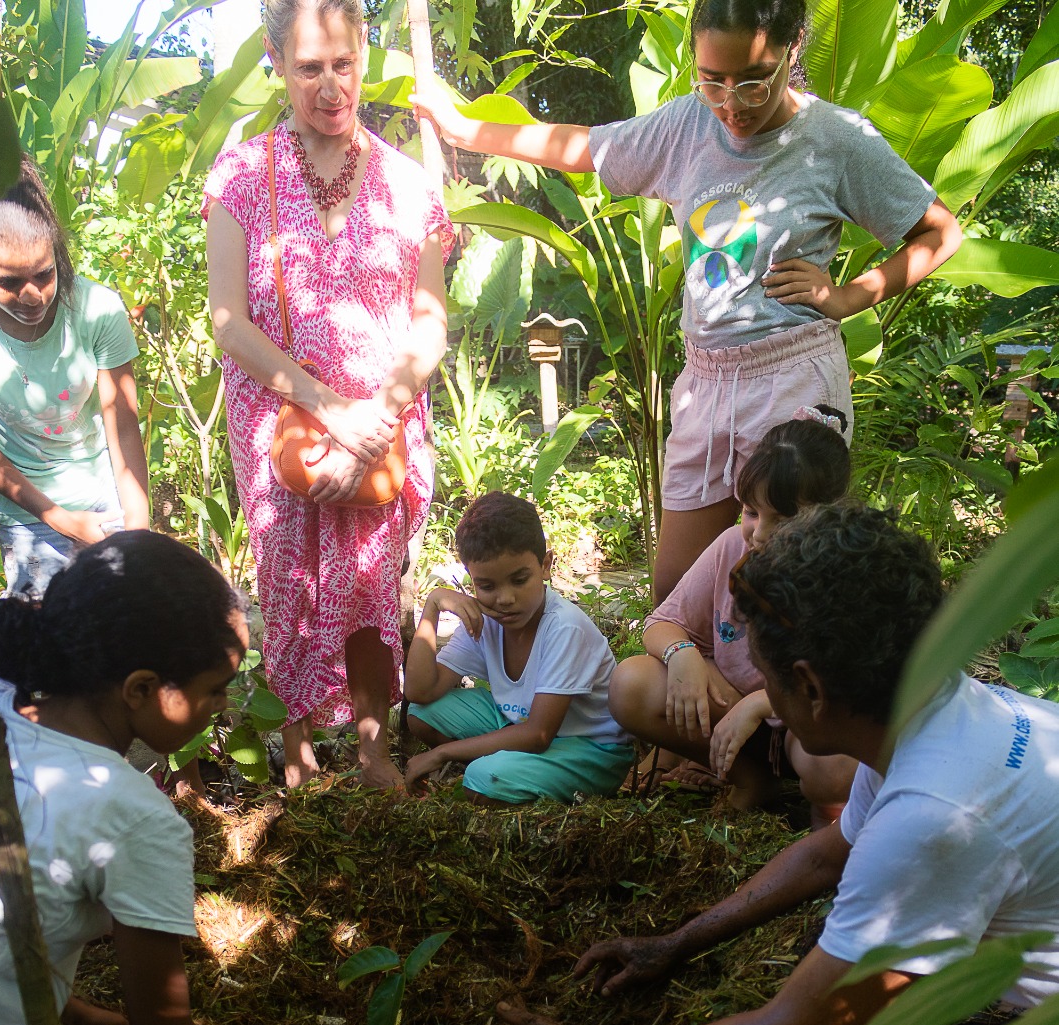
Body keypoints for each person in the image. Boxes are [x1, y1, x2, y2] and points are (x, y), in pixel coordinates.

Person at [441, 503, 1059, 1025]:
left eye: (764, 674)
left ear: (808, 685)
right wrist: (677, 941)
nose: (757, 688)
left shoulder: (938, 818)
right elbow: (827, 850)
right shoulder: (933, 712)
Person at [412, 0, 962, 602]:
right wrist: (465, 129)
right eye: (713, 81)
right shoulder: (683, 127)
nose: (731, 104)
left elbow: (941, 231)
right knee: (675, 593)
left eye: (754, 80)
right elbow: (587, 147)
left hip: (792, 379)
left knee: (791, 593)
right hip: (706, 382)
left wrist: (850, 295)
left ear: (794, 48)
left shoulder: (835, 139)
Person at [0, 532, 415, 1025]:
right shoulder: (131, 812)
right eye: (216, 689)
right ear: (139, 690)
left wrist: (75, 1011)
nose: (225, 707)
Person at [205, 0, 453, 790]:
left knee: (375, 579)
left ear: (364, 54)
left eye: (342, 64)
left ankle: (378, 756)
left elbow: (430, 320)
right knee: (287, 580)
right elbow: (228, 323)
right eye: (309, 67)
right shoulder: (241, 176)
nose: (329, 85)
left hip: (382, 423)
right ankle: (299, 759)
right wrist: (331, 411)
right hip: (282, 424)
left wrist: (379, 416)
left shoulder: (409, 184)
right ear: (278, 64)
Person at [609, 411, 857, 821]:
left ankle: (820, 809)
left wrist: (759, 705)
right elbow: (661, 623)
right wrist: (683, 653)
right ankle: (750, 777)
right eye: (752, 512)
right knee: (631, 683)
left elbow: (840, 686)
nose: (759, 533)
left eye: (784, 518)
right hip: (727, 709)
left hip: (803, 728)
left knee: (834, 770)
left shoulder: (842, 576)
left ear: (830, 517)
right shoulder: (732, 548)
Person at [403, 493, 635, 803]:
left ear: (546, 566)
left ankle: (503, 773)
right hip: (518, 726)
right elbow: (420, 692)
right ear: (471, 581)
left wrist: (443, 753)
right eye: (487, 586)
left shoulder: (564, 627)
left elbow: (538, 735)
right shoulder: (485, 621)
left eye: (519, 579)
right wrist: (432, 606)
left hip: (591, 750)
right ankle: (508, 770)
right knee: (422, 713)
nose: (505, 599)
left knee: (481, 779)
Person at [0, 155, 149, 597]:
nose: (32, 294)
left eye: (44, 274)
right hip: (29, 514)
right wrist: (62, 520)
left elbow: (123, 426)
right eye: (8, 282)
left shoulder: (97, 310)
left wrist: (137, 532)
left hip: (106, 499)